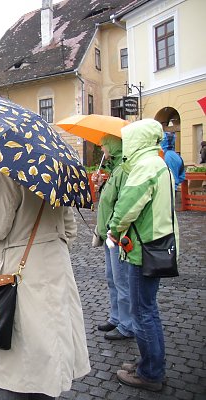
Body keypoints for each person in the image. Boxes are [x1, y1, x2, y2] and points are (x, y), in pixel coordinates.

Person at [0, 168, 90, 399]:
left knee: (15, 366)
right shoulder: (54, 169)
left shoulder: (6, 168)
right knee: (49, 354)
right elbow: (69, 229)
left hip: (17, 274)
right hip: (54, 270)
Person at [108, 119, 178, 392]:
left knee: (142, 313)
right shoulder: (157, 162)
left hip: (143, 249)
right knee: (149, 310)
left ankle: (150, 373)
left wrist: (114, 229)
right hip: (156, 244)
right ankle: (150, 363)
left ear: (137, 140)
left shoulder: (145, 167)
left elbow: (127, 207)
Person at [92, 135, 134, 341]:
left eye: (104, 146)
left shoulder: (124, 171)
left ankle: (127, 325)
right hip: (110, 235)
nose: (102, 150)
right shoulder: (115, 170)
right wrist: (101, 185)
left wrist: (114, 229)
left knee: (122, 281)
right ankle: (116, 317)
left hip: (117, 235)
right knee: (112, 279)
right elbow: (110, 200)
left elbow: (123, 203)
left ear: (114, 146)